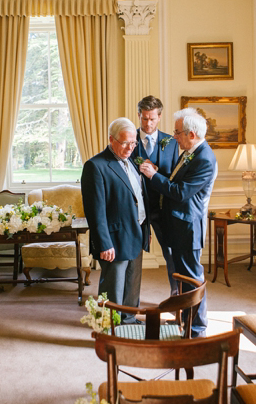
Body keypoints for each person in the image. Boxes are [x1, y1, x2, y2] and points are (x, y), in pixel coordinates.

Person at [139, 108, 217, 338]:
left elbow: (181, 192)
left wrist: (153, 176)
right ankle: (186, 321)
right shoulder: (191, 151)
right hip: (179, 225)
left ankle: (197, 329)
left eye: (177, 132)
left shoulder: (204, 158)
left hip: (188, 228)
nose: (174, 137)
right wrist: (158, 171)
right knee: (183, 278)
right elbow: (175, 178)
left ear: (191, 134)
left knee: (193, 280)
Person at [82, 118, 150, 322]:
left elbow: (139, 199)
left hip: (136, 233)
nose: (130, 148)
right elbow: (95, 211)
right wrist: (104, 243)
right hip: (114, 238)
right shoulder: (96, 166)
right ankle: (110, 326)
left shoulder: (130, 160)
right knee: (113, 287)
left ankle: (129, 320)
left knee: (132, 283)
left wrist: (146, 231)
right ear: (111, 140)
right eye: (125, 143)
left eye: (133, 143)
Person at [130, 95, 181, 296]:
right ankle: (129, 300)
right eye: (144, 118)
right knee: (133, 254)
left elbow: (175, 176)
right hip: (136, 209)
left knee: (170, 252)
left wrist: (156, 173)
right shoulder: (129, 139)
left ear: (159, 117)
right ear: (139, 116)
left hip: (162, 207)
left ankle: (176, 294)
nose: (148, 123)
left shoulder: (171, 142)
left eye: (152, 118)